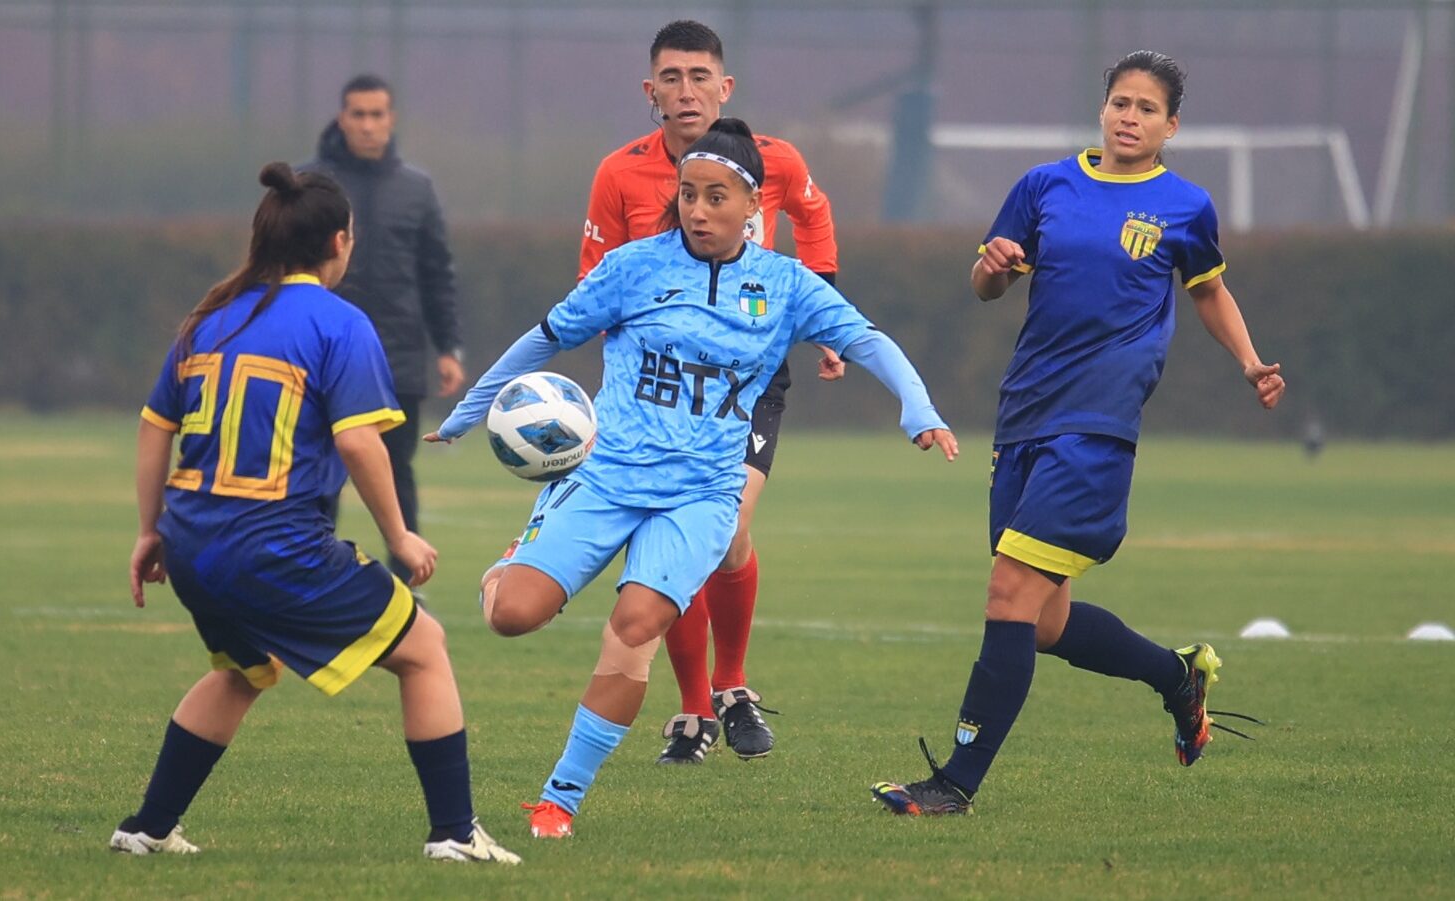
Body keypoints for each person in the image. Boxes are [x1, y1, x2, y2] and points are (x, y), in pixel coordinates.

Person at [428, 118, 958, 839]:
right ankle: (509, 567)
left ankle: (559, 800)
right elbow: (548, 336)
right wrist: (470, 411)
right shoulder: (633, 266)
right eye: (688, 195)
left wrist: (916, 404)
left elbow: (867, 339)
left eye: (716, 197)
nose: (699, 210)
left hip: (703, 493)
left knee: (637, 623)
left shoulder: (784, 284)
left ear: (753, 207)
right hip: (607, 474)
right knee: (511, 615)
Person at [870, 51, 1284, 817]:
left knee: (1006, 594)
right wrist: (993, 265)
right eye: (1120, 103)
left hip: (1096, 428)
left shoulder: (1183, 206)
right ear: (1103, 111)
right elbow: (988, 283)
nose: (1130, 117)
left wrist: (1253, 363)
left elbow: (1211, 294)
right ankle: (1177, 675)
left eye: (1147, 109)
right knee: (1043, 620)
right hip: (1024, 417)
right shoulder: (1045, 186)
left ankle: (954, 784)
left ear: (1171, 126)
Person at [112, 162, 519, 865]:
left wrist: (151, 530)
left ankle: (145, 828)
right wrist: (400, 535)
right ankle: (455, 833)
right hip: (271, 543)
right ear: (339, 241)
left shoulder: (209, 318)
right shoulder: (339, 323)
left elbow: (155, 427)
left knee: (244, 668)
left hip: (191, 541)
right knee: (424, 649)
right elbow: (360, 440)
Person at [580, 19, 845, 765]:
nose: (686, 90)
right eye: (672, 77)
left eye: (701, 76)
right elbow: (593, 284)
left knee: (723, 533)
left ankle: (730, 685)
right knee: (676, 542)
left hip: (746, 381)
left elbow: (814, 214)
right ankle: (695, 710)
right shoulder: (619, 174)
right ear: (650, 92)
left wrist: (824, 310)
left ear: (725, 88)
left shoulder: (774, 161)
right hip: (657, 392)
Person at [301, 74, 466, 586]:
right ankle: (309, 581)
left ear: (391, 120)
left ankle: (404, 590)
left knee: (396, 474)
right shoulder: (310, 185)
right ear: (341, 118)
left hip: (394, 358)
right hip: (318, 356)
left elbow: (436, 272)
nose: (368, 125)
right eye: (358, 114)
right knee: (315, 478)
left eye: (377, 115)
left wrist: (447, 346)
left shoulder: (415, 189)